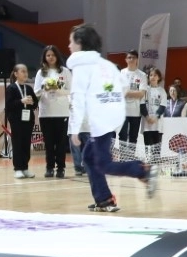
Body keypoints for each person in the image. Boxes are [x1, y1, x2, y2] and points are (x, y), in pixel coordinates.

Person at [67, 24, 156, 212]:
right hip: (112, 117)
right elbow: (123, 87)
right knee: (89, 157)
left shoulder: (82, 67)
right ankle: (104, 198)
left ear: (80, 42)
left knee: (103, 164)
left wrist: (74, 129)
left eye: (71, 41)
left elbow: (78, 99)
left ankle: (143, 170)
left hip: (101, 121)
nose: (69, 45)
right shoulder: (106, 64)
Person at [34, 45, 70, 179]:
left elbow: (71, 90)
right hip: (46, 112)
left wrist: (58, 88)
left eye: (53, 55)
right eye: (48, 55)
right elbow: (36, 91)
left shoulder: (65, 71)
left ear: (57, 56)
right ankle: (49, 167)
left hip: (62, 112)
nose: (50, 57)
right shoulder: (41, 73)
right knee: (49, 143)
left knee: (61, 143)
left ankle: (61, 168)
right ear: (44, 57)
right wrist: (45, 87)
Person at [5, 64, 37, 179]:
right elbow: (9, 105)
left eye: (26, 71)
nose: (25, 74)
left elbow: (35, 104)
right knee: (17, 144)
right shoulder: (11, 88)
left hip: (28, 120)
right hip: (16, 120)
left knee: (26, 144)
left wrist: (32, 102)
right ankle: (18, 168)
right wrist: (21, 101)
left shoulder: (29, 88)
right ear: (16, 74)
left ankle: (25, 167)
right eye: (22, 71)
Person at [118, 51, 147, 144]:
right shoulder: (121, 73)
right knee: (122, 136)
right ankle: (123, 154)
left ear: (137, 59)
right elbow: (120, 92)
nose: (131, 59)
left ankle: (131, 154)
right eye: (129, 57)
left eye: (133, 57)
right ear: (126, 60)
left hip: (136, 111)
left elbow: (141, 93)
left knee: (133, 137)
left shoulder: (142, 75)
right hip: (123, 111)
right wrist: (133, 93)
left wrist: (127, 92)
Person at [142, 67, 169, 158]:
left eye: (155, 75)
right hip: (147, 122)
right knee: (148, 146)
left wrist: (156, 117)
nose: (153, 77)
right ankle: (148, 162)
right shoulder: (145, 90)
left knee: (156, 147)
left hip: (157, 123)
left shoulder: (162, 91)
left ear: (159, 77)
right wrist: (147, 117)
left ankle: (156, 163)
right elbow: (142, 104)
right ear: (148, 77)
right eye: (151, 75)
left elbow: (163, 106)